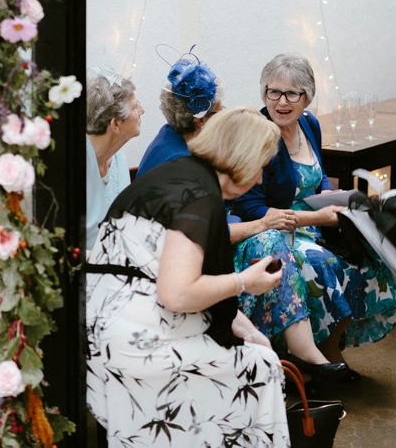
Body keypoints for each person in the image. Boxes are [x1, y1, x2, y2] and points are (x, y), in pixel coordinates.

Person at [86, 108, 290, 446]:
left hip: (106, 326)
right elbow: (178, 293)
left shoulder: (179, 176)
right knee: (263, 367)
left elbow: (179, 277)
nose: (259, 181)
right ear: (242, 158)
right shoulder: (199, 197)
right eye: (260, 168)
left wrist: (247, 328)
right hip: (134, 342)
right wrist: (244, 282)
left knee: (254, 352)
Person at [138, 53, 346, 380]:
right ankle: (302, 357)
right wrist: (248, 270)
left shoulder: (178, 147)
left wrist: (248, 331)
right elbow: (182, 281)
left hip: (163, 270)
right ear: (202, 120)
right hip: (149, 290)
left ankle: (306, 356)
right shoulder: (189, 177)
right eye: (220, 112)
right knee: (272, 245)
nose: (261, 180)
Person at [229, 53, 396, 374]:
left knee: (367, 259)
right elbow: (250, 207)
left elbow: (318, 173)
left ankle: (331, 350)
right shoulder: (257, 133)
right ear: (264, 93)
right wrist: (317, 218)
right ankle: (311, 359)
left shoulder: (309, 124)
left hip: (317, 223)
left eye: (292, 94)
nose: (281, 102)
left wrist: (326, 192)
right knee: (322, 264)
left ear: (307, 97)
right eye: (273, 92)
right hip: (278, 231)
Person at [86, 67, 144, 250]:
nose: (142, 110)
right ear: (116, 124)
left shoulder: (118, 158)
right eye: (135, 107)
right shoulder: (80, 167)